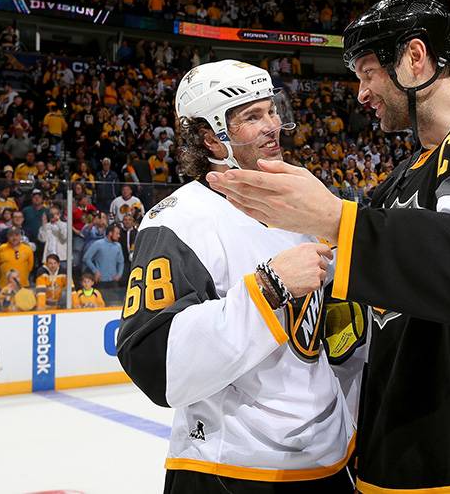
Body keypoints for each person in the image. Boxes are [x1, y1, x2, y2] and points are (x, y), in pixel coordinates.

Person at [207, 0, 450, 492]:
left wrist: (332, 217)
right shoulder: (396, 184)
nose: (360, 94)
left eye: (368, 72)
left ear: (415, 58)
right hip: (398, 468)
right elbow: (358, 322)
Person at [117, 60, 361, 493]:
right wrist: (269, 287)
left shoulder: (303, 201)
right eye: (252, 117)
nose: (273, 127)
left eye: (271, 110)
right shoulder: (178, 221)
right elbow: (155, 361)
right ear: (210, 137)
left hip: (328, 460)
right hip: (230, 470)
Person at [82, 223, 124, 304]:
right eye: (117, 233)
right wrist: (95, 271)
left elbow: (121, 262)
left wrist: (119, 274)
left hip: (113, 281)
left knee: (114, 304)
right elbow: (86, 258)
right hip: (101, 281)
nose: (119, 236)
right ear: (110, 233)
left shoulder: (118, 246)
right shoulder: (98, 244)